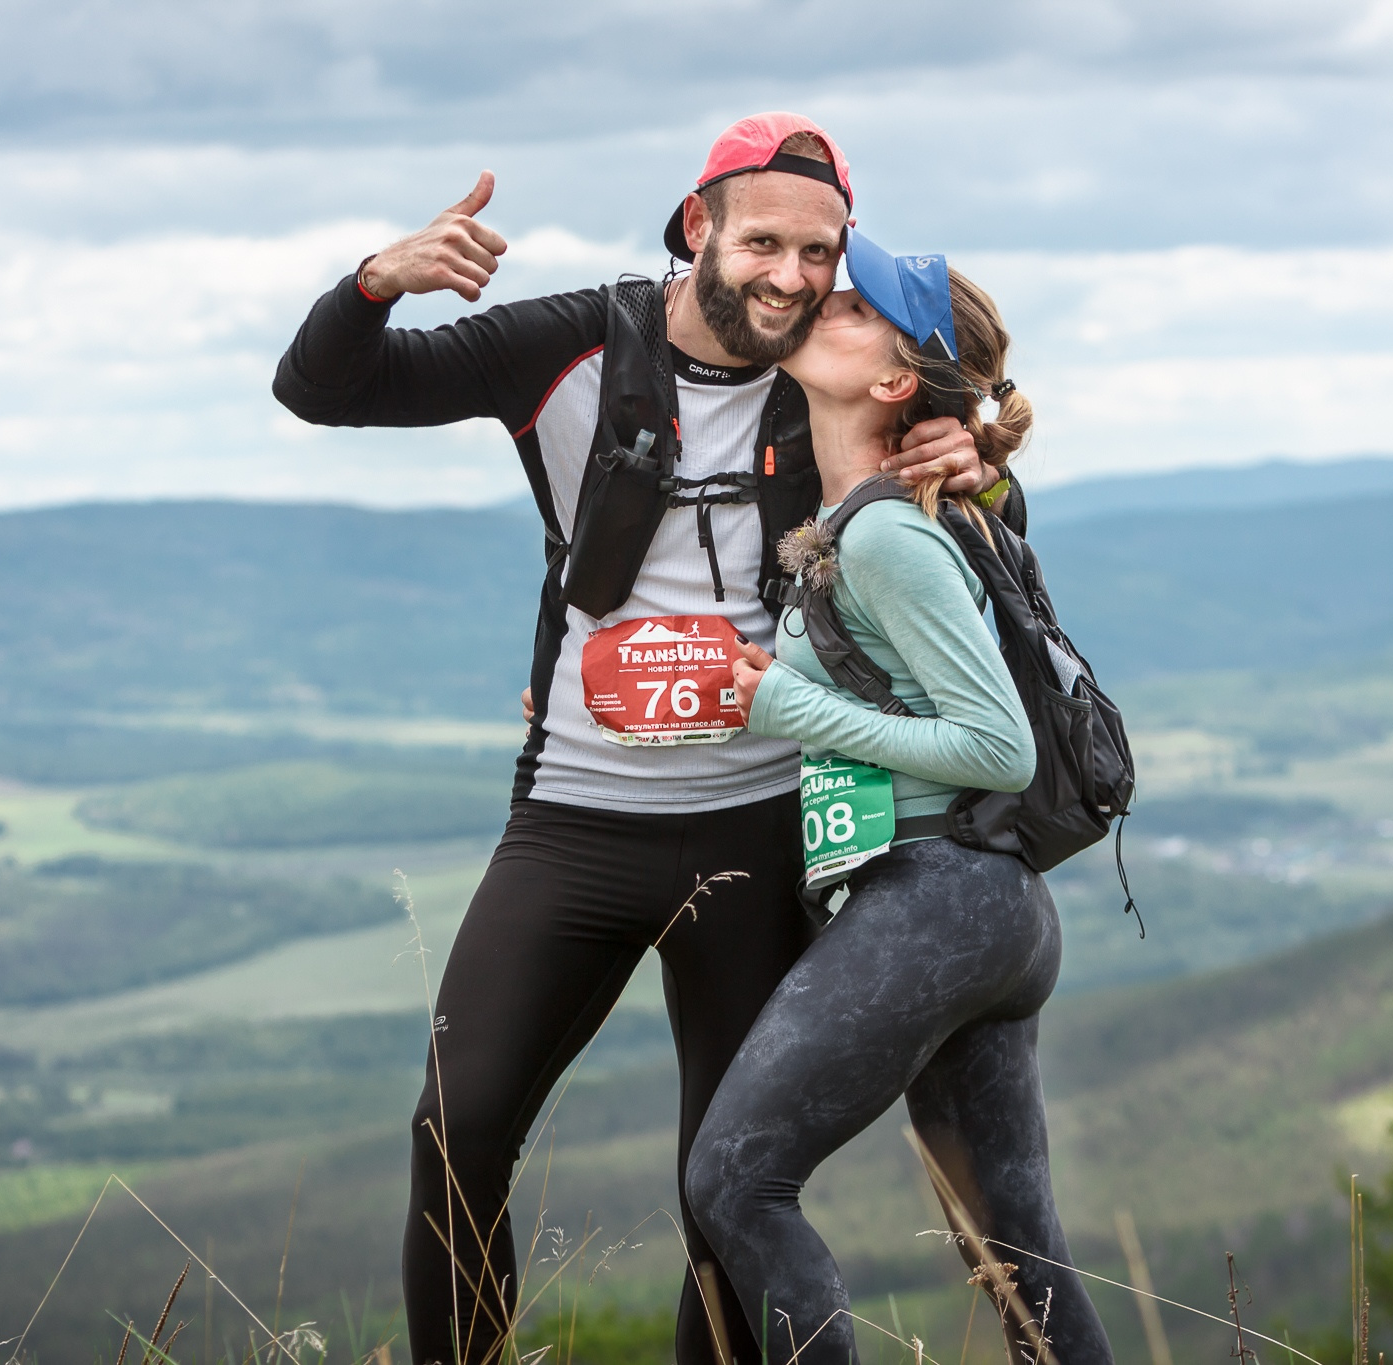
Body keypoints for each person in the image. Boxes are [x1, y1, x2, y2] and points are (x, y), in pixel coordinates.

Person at [271, 114, 1008, 1365]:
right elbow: (326, 391)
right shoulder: (570, 343)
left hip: (762, 826)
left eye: (818, 252)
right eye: (763, 240)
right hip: (571, 817)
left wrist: (971, 455)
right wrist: (372, 285)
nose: (790, 275)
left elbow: (957, 529)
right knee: (456, 1134)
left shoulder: (832, 365)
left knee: (720, 1187)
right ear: (695, 226)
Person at [686, 233, 1115, 1365]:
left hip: (935, 896)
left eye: (855, 307)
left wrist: (782, 704)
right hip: (983, 909)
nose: (819, 298)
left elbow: (995, 746)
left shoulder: (884, 533)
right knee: (1017, 1250)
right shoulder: (868, 515)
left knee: (735, 1180)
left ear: (890, 381)